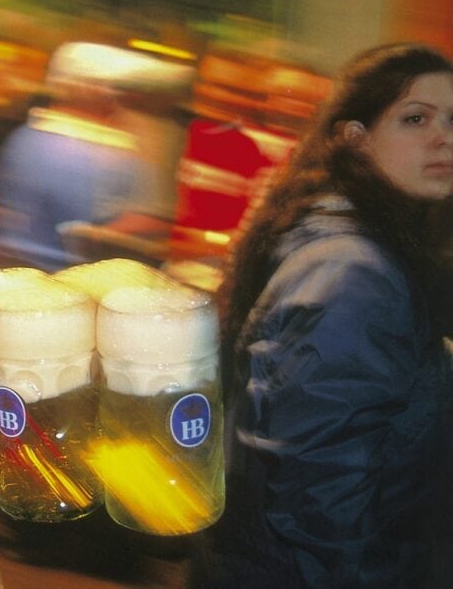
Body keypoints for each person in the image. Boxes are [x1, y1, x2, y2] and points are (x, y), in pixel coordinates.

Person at [190, 43, 453, 588]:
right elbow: (320, 488)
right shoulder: (355, 273)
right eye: (415, 118)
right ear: (355, 137)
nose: (443, 138)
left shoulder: (350, 237)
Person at [0, 42, 189, 272]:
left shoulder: (27, 137)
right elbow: (108, 227)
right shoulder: (79, 150)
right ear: (88, 90)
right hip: (64, 278)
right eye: (116, 91)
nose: (119, 100)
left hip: (18, 271)